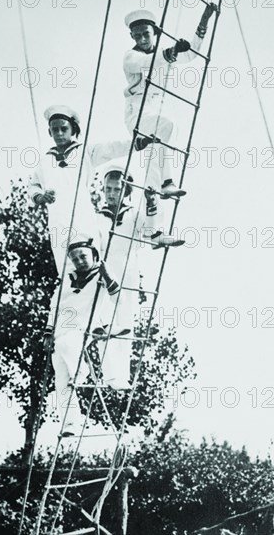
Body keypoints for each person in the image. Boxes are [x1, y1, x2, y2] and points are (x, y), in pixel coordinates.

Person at [96, 158, 185, 384]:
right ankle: (110, 375)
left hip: (128, 269)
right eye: (108, 189)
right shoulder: (97, 216)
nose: (111, 194)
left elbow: (149, 229)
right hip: (103, 271)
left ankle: (122, 377)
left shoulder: (133, 214)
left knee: (125, 323)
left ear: (125, 191)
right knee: (105, 322)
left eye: (117, 189)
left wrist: (150, 200)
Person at [28, 105, 132, 276]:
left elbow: (112, 148)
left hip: (81, 216)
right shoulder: (45, 160)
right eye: (55, 130)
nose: (59, 134)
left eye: (64, 129)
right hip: (57, 220)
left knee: (90, 262)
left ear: (73, 129)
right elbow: (33, 185)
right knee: (66, 269)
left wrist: (138, 142)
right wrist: (40, 197)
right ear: (50, 132)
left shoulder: (85, 151)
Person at [123, 4, 217, 193]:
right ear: (132, 36)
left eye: (146, 34)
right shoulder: (130, 56)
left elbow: (190, 54)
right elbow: (145, 63)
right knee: (167, 126)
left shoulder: (163, 54)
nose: (142, 39)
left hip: (157, 109)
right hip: (137, 111)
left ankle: (158, 188)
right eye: (137, 35)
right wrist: (171, 52)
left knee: (160, 141)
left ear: (155, 33)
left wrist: (204, 21)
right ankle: (166, 183)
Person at [44, 236, 130, 437]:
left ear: (93, 255)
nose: (79, 261)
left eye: (83, 256)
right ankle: (70, 423)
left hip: (85, 325)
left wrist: (108, 276)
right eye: (75, 259)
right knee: (61, 380)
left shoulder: (100, 275)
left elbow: (120, 300)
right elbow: (54, 306)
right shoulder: (67, 278)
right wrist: (48, 332)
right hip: (61, 328)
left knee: (67, 346)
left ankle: (81, 371)